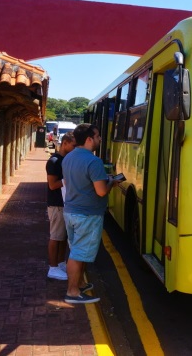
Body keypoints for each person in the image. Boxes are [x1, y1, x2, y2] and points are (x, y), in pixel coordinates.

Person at [61, 123, 123, 304]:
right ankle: (72, 292)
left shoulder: (68, 157)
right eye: (97, 136)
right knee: (79, 253)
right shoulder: (93, 161)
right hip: (87, 214)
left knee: (75, 249)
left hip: (71, 210)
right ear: (89, 139)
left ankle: (79, 284)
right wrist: (111, 182)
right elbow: (101, 191)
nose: (99, 139)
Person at [46, 132, 75, 281]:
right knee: (56, 237)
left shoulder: (64, 160)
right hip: (56, 203)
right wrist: (69, 179)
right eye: (73, 145)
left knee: (63, 237)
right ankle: (53, 267)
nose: (75, 148)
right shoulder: (54, 161)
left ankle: (60, 263)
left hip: (65, 203)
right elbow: (52, 185)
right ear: (65, 143)